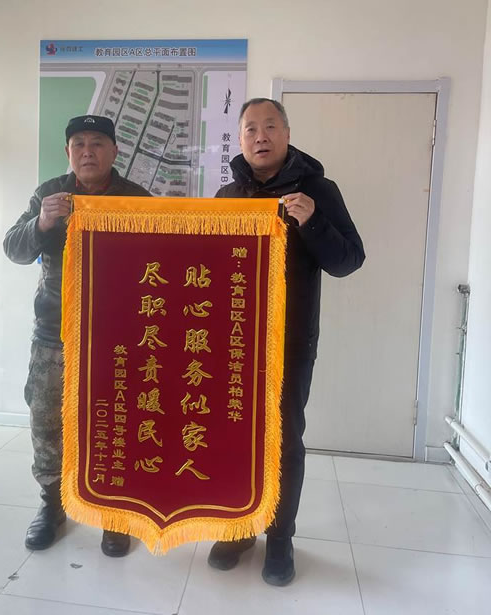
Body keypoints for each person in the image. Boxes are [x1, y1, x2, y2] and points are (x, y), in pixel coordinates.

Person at [208, 98, 365, 586]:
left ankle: (279, 537)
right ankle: (238, 527)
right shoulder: (228, 195)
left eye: (270, 126)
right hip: (232, 346)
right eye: (250, 128)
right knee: (232, 435)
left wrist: (312, 220)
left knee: (282, 439)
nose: (261, 136)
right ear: (240, 139)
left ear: (287, 133)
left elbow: (348, 260)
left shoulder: (318, 190)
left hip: (289, 343)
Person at [3, 115, 150, 554]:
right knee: (48, 423)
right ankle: (52, 505)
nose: (88, 151)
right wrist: (42, 223)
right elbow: (13, 248)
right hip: (55, 334)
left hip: (118, 338)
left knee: (117, 423)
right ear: (68, 152)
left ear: (114, 151)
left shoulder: (137, 199)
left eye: (98, 143)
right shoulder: (49, 194)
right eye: (79, 144)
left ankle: (113, 513)